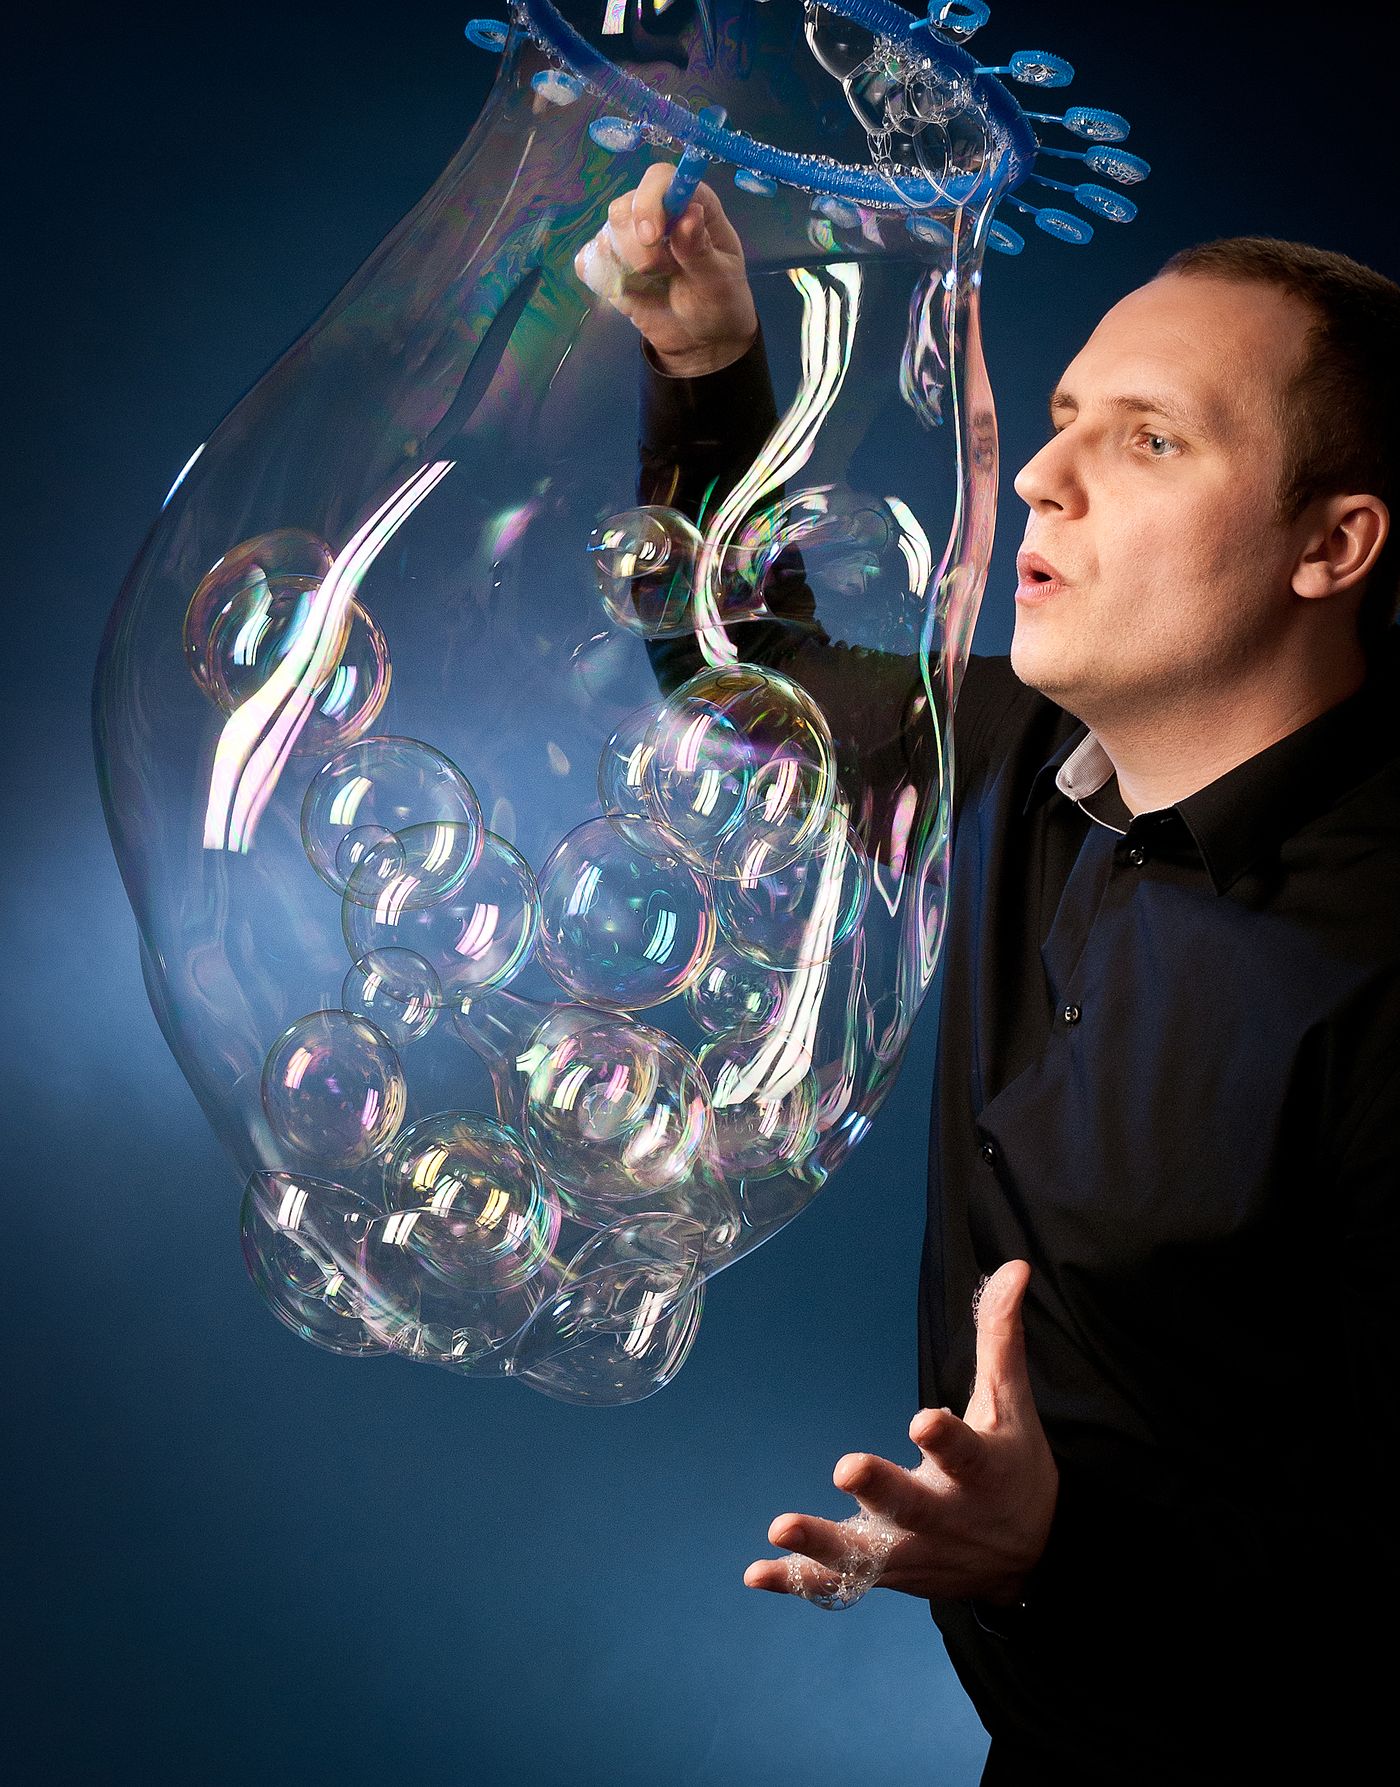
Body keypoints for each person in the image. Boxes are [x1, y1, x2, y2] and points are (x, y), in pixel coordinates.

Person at [575, 163, 1400, 1781]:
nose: (1040, 477)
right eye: (1067, 415)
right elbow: (753, 674)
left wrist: (1058, 1553)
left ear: (1333, 543)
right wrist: (704, 361)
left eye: (1149, 440)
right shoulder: (1031, 747)